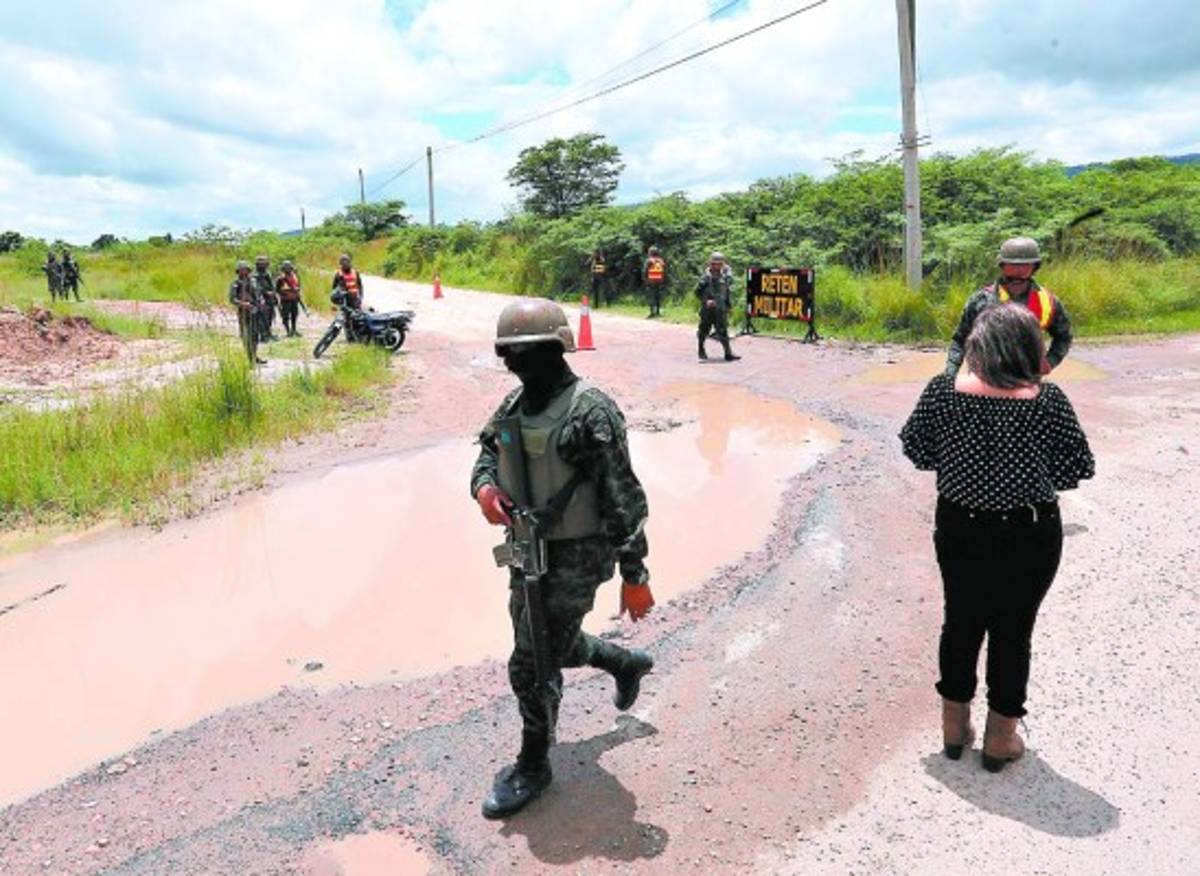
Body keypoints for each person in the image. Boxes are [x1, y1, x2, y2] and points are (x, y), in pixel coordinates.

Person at [470, 298, 656, 819]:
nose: (516, 363)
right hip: (528, 549)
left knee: (532, 660)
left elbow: (624, 499)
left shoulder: (590, 412)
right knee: (550, 641)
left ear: (556, 350)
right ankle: (624, 662)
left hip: (578, 553)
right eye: (509, 354)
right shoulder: (514, 406)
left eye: (527, 353)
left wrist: (634, 575)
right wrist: (485, 490)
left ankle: (534, 763)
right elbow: (486, 454)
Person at [900, 304, 1094, 772]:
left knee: (961, 620)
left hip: (959, 526)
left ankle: (953, 727)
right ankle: (1000, 738)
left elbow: (918, 450)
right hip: (1027, 531)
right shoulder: (1049, 401)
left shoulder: (942, 392)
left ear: (977, 347)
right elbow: (1076, 468)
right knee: (1013, 631)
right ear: (1030, 349)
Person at [946, 237, 1072, 376]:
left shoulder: (1047, 301)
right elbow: (960, 340)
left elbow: (1063, 337)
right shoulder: (981, 300)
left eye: (1024, 266)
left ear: (1034, 267)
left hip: (1027, 379)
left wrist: (1050, 361)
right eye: (1012, 266)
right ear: (1002, 266)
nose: (1018, 271)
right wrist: (950, 375)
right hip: (984, 378)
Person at [695, 251, 740, 362]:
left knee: (723, 330)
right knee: (704, 329)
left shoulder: (725, 276)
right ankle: (701, 348)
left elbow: (726, 291)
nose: (718, 266)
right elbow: (697, 292)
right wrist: (706, 301)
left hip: (720, 308)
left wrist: (728, 305)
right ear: (711, 264)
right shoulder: (706, 277)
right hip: (708, 309)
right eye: (715, 263)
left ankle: (728, 353)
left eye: (720, 264)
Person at [229, 260, 266, 365]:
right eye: (242, 270)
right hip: (244, 312)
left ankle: (254, 356)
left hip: (255, 311)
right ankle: (250, 358)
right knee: (246, 336)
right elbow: (232, 299)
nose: (244, 272)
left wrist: (262, 301)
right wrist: (243, 304)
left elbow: (259, 294)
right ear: (238, 271)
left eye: (246, 270)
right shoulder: (236, 284)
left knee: (255, 336)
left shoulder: (253, 281)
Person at [253, 254, 278, 342]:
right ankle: (263, 335)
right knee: (262, 318)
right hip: (261, 299)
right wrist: (266, 293)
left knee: (270, 317)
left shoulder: (267, 274)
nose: (264, 265)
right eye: (261, 264)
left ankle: (268, 333)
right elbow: (256, 288)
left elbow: (272, 285)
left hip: (270, 299)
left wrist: (274, 295)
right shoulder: (255, 276)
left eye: (265, 263)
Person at [276, 260, 303, 337]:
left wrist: (297, 291)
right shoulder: (280, 278)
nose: (288, 269)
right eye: (286, 268)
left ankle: (294, 329)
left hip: (294, 299)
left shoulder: (295, 276)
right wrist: (287, 291)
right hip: (285, 300)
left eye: (289, 268)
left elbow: (298, 286)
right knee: (285, 316)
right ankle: (288, 331)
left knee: (294, 314)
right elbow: (277, 290)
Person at [642, 246, 666, 318]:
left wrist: (644, 279)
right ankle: (658, 312)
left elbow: (645, 271)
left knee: (651, 297)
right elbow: (664, 271)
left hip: (651, 281)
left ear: (651, 253)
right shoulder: (661, 261)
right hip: (659, 281)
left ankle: (652, 312)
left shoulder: (649, 260)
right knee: (658, 297)